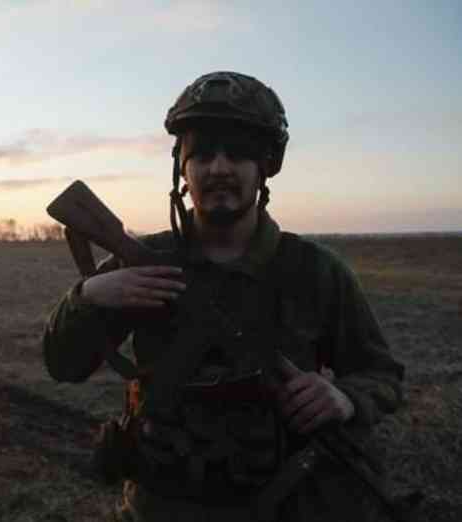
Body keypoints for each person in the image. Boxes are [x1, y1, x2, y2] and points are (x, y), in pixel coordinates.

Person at [42, 71, 406, 522]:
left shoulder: (314, 271)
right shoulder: (141, 262)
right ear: (183, 169)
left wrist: (345, 397)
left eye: (237, 154)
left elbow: (381, 373)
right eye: (203, 155)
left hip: (291, 506)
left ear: (264, 167)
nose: (218, 168)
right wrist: (89, 297)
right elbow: (62, 364)